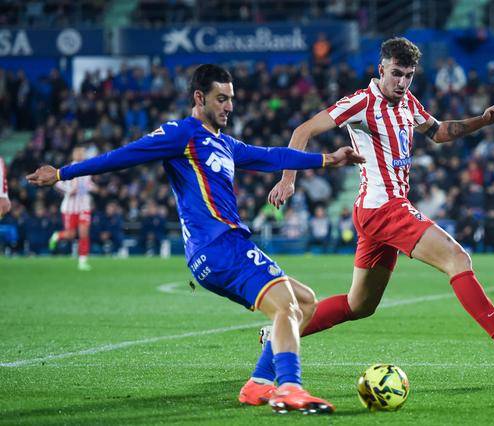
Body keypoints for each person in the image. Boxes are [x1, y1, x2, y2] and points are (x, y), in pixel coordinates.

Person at [27, 64, 365, 414]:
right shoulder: (181, 133)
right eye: (221, 99)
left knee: (305, 302)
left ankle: (259, 384)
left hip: (223, 249)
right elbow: (124, 155)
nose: (229, 106)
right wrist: (63, 173)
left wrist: (327, 159)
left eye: (231, 99)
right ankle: (290, 388)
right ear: (199, 98)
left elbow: (271, 156)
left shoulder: (224, 143)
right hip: (219, 246)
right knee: (286, 307)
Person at [268, 37, 494, 366]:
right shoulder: (361, 103)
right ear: (381, 69)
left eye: (409, 75)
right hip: (384, 207)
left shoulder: (408, 102)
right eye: (396, 74)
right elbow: (302, 131)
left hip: (376, 211)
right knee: (457, 258)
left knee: (360, 305)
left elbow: (440, 132)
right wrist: (288, 179)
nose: (402, 82)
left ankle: (279, 333)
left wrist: (483, 120)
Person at [49, 146, 96, 271]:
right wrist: (69, 190)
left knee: (84, 233)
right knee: (71, 234)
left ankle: (83, 261)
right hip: (70, 207)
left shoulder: (88, 168)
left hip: (84, 205)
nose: (81, 155)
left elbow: (87, 184)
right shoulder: (68, 168)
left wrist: (94, 187)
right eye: (78, 153)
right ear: (74, 155)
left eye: (82, 153)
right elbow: (57, 183)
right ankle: (57, 235)